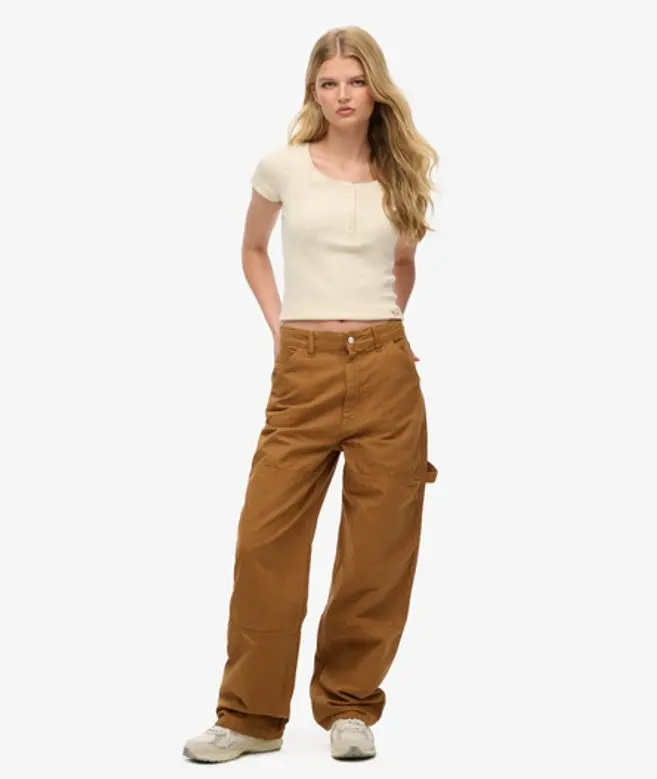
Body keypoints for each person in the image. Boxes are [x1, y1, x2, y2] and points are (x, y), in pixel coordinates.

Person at [183, 25, 439, 764]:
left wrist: (389, 330)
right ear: (313, 92)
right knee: (266, 541)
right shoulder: (283, 167)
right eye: (329, 83)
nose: (342, 95)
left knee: (379, 549)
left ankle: (351, 706)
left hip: (387, 372)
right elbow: (252, 249)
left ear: (376, 89)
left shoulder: (402, 172)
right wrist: (280, 328)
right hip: (303, 369)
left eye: (355, 81)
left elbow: (403, 265)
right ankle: (250, 716)